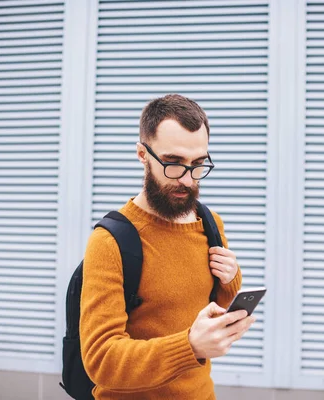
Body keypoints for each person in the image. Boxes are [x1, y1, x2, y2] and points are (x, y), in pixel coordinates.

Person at [80, 94, 255, 399]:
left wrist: (231, 280)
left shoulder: (211, 223)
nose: (187, 180)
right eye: (173, 163)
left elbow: (212, 308)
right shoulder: (109, 242)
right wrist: (189, 346)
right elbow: (101, 360)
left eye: (198, 164)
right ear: (142, 154)